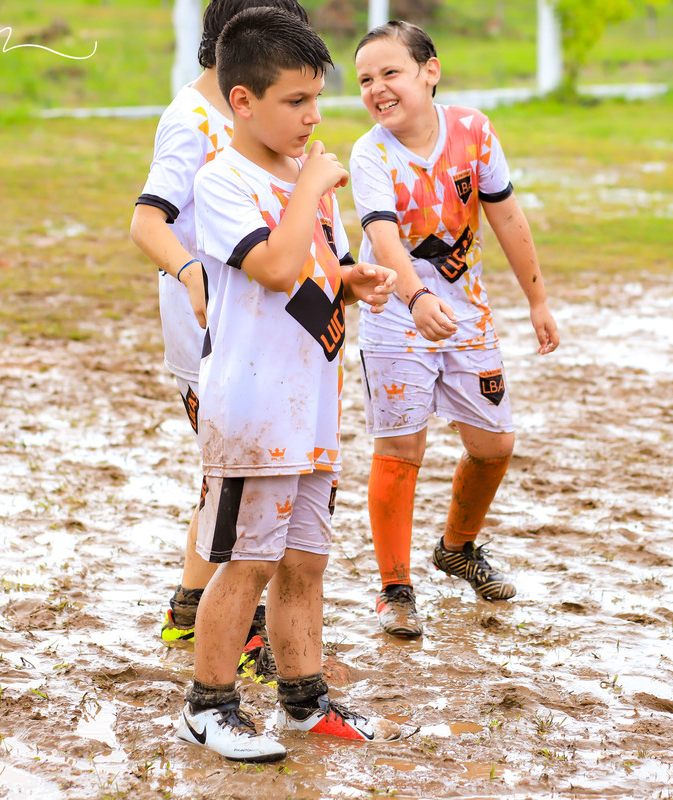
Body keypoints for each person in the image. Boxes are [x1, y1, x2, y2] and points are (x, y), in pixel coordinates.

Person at [174, 7, 401, 762]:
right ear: (243, 101)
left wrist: (352, 280)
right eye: (295, 101)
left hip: (312, 408)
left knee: (304, 561)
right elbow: (271, 265)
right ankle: (208, 706)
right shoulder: (223, 180)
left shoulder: (309, 184)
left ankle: (305, 702)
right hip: (251, 411)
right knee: (248, 562)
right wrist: (311, 186)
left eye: (317, 99)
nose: (313, 117)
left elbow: (309, 270)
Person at [350, 21, 560, 639]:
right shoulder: (370, 154)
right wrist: (413, 296)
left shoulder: (473, 131)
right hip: (395, 315)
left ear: (430, 72)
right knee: (400, 449)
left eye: (390, 72)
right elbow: (382, 235)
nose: (377, 89)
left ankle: (457, 548)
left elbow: (507, 216)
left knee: (495, 444)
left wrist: (537, 300)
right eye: (365, 79)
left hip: (467, 313)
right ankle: (395, 590)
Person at [130, 0, 310, 678]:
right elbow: (147, 222)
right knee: (242, 479)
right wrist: (189, 272)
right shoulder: (191, 119)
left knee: (227, 476)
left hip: (257, 331)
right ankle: (243, 631)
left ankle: (189, 608)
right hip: (209, 337)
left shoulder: (249, 114)